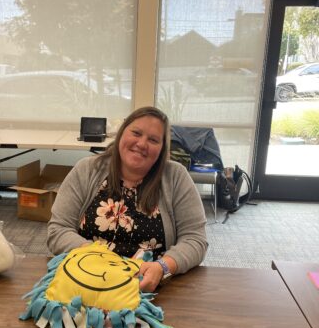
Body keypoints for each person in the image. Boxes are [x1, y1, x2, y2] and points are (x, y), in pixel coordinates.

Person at [47, 106, 207, 292]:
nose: (141, 144)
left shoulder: (176, 176)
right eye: (136, 133)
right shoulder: (86, 170)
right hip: (88, 280)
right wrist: (95, 256)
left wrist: (163, 267)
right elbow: (58, 230)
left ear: (162, 149)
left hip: (151, 288)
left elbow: (195, 239)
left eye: (153, 140)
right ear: (122, 133)